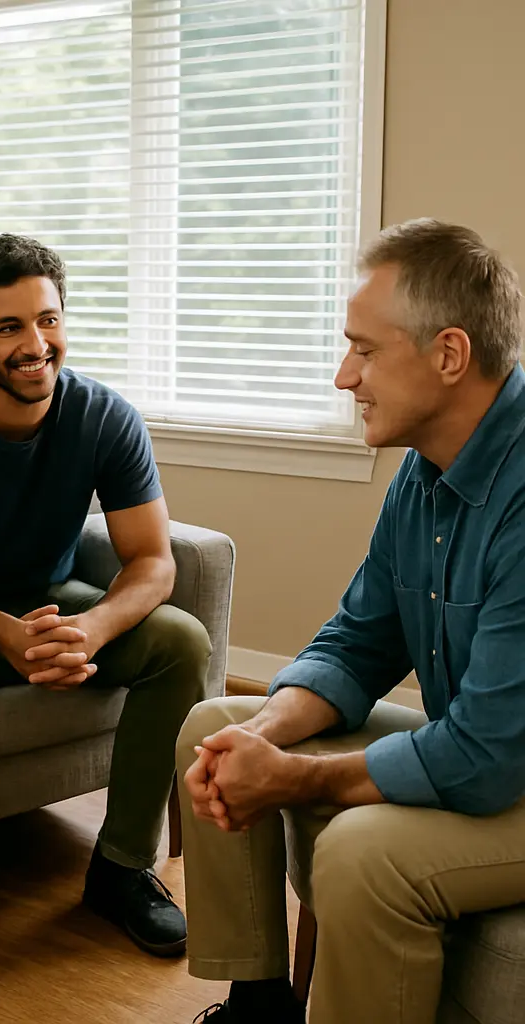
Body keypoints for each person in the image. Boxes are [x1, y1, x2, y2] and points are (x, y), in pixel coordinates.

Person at [179, 219, 525, 1024]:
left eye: (365, 351)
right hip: (497, 750)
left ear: (448, 354)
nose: (344, 377)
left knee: (361, 854)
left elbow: (483, 759)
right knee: (215, 722)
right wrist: (262, 737)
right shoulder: (425, 471)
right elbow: (359, 640)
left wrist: (295, 778)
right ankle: (258, 1005)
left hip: (508, 765)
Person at [0, 233, 212, 989]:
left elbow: (152, 561)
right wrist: (7, 634)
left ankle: (121, 869)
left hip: (57, 609)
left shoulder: (104, 416)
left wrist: (90, 627)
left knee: (180, 643)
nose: (37, 345)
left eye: (48, 320)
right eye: (9, 327)